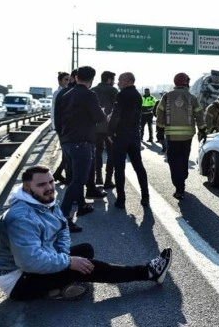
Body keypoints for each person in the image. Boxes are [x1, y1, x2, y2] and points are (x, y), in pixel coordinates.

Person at [0, 165, 172, 301]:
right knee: (88, 266)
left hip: (32, 267)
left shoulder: (44, 201)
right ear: (27, 188)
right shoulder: (20, 218)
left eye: (51, 181)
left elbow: (62, 229)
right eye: (42, 184)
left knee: (85, 250)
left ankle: (57, 289)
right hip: (19, 281)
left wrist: (64, 256)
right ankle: (148, 272)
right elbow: (30, 262)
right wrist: (68, 262)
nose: (50, 187)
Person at [55, 66, 106, 233]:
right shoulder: (89, 95)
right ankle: (63, 218)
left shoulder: (65, 94)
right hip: (82, 142)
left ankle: (80, 207)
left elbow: (58, 118)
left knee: (73, 179)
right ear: (92, 80)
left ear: (76, 78)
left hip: (67, 142)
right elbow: (99, 117)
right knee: (79, 181)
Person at [155, 72, 206, 200]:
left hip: (171, 137)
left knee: (173, 161)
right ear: (185, 83)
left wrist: (159, 129)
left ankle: (178, 187)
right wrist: (202, 130)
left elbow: (159, 113)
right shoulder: (191, 97)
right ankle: (182, 178)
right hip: (187, 137)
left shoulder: (167, 96)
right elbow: (200, 115)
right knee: (183, 159)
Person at [108, 72, 151, 208]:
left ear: (126, 81)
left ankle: (121, 199)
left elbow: (116, 115)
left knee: (119, 169)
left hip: (120, 136)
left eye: (120, 80)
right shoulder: (138, 95)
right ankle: (145, 196)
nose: (118, 83)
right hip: (134, 136)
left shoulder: (121, 95)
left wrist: (109, 132)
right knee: (138, 166)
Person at [92, 70, 118, 189]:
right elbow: (116, 111)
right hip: (109, 128)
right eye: (113, 79)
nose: (114, 82)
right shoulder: (113, 91)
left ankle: (98, 178)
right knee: (111, 154)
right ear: (109, 79)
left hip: (95, 127)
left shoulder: (93, 90)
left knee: (97, 153)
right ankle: (108, 180)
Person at [51, 71, 71, 184]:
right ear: (60, 81)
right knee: (66, 153)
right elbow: (56, 112)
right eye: (65, 80)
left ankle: (58, 174)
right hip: (60, 127)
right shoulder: (58, 93)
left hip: (63, 126)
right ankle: (59, 174)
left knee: (66, 153)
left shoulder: (65, 92)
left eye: (69, 79)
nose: (68, 82)